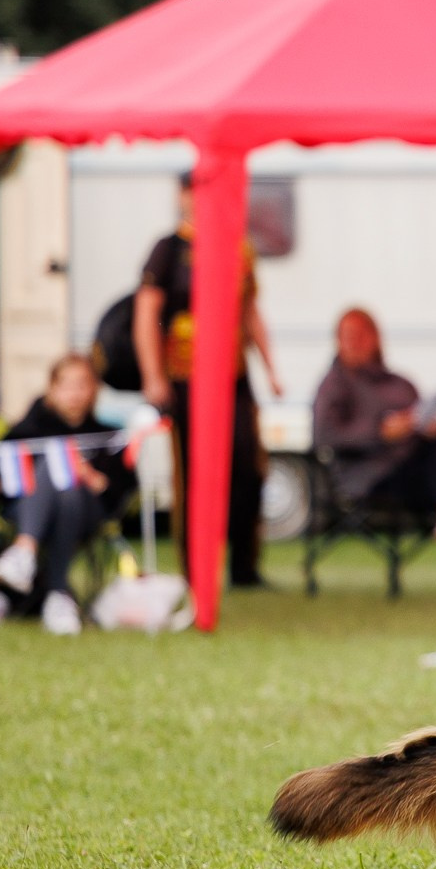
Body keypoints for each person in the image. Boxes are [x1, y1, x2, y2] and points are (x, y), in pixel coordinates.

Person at [133, 169, 283, 588]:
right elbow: (147, 315)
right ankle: (195, 566)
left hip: (233, 375)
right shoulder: (168, 250)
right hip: (184, 377)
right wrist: (153, 377)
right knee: (194, 472)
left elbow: (250, 311)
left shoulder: (239, 247)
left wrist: (271, 368)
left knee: (248, 465)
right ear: (182, 196)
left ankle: (244, 565)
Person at [312, 307, 436, 609]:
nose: (355, 343)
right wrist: (380, 432)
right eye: (348, 337)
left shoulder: (399, 383)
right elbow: (325, 435)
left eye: (362, 336)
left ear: (376, 338)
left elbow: (418, 421)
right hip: (369, 478)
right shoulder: (334, 386)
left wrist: (425, 427)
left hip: (415, 471)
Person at [0, 355, 136, 636]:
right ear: (52, 389)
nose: (74, 394)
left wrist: (90, 477)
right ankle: (58, 596)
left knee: (68, 484)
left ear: (94, 389)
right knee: (55, 468)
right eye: (66, 385)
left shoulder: (107, 435)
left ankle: (24, 551)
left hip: (89, 513)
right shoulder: (31, 429)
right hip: (29, 511)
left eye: (81, 385)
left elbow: (121, 491)